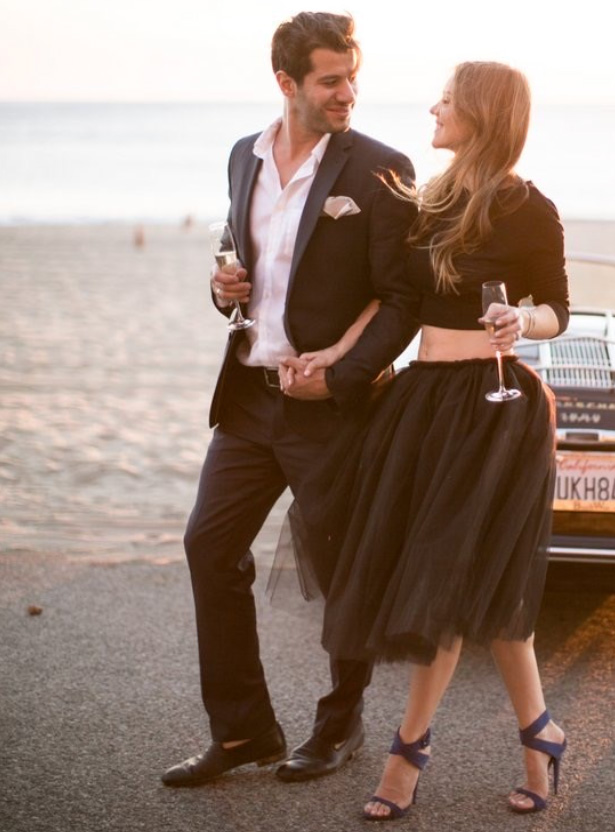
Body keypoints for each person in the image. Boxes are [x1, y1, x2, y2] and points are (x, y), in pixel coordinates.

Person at [284, 61, 570, 819]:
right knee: (484, 592)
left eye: (447, 99)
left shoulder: (529, 210)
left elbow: (558, 311)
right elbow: (401, 303)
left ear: (480, 115)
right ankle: (541, 735)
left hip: (493, 409)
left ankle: (407, 753)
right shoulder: (427, 200)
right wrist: (338, 356)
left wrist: (524, 322)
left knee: (440, 584)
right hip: (423, 403)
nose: (433, 108)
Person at [161, 12, 417, 788]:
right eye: (330, 81)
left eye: (351, 78)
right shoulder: (244, 156)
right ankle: (242, 732)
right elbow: (245, 271)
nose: (347, 94)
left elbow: (402, 300)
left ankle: (338, 725)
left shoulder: (380, 168)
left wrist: (337, 374)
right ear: (287, 83)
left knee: (342, 571)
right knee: (209, 545)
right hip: (248, 396)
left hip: (332, 408)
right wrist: (220, 288)